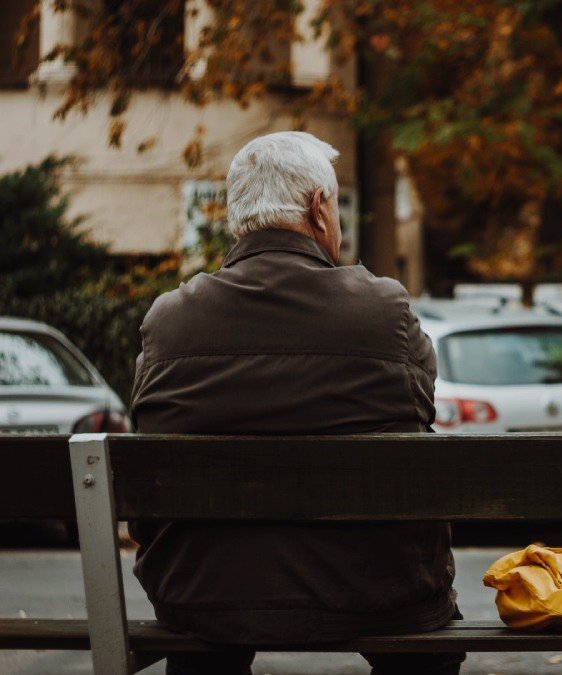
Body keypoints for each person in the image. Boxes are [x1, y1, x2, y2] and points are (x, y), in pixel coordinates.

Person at [130, 131, 461, 675]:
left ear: (239, 219)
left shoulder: (169, 320)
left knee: (211, 622)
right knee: (422, 641)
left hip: (205, 594)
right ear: (319, 208)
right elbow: (419, 409)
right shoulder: (384, 312)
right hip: (374, 588)